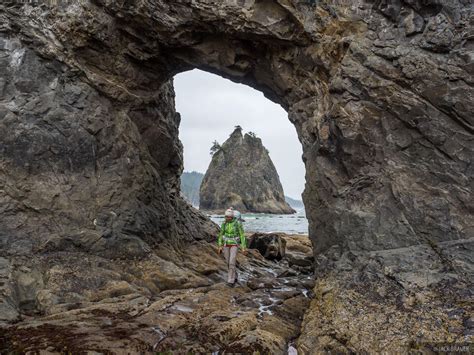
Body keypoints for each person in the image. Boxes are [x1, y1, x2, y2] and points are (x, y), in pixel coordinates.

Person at [217, 208, 247, 287]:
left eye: (229, 217)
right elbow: (221, 234)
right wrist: (220, 245)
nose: (228, 218)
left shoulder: (237, 223)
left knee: (231, 262)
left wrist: (243, 247)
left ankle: (230, 280)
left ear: (232, 217)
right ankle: (235, 275)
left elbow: (242, 235)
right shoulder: (224, 223)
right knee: (228, 262)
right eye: (226, 217)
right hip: (226, 244)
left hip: (234, 244)